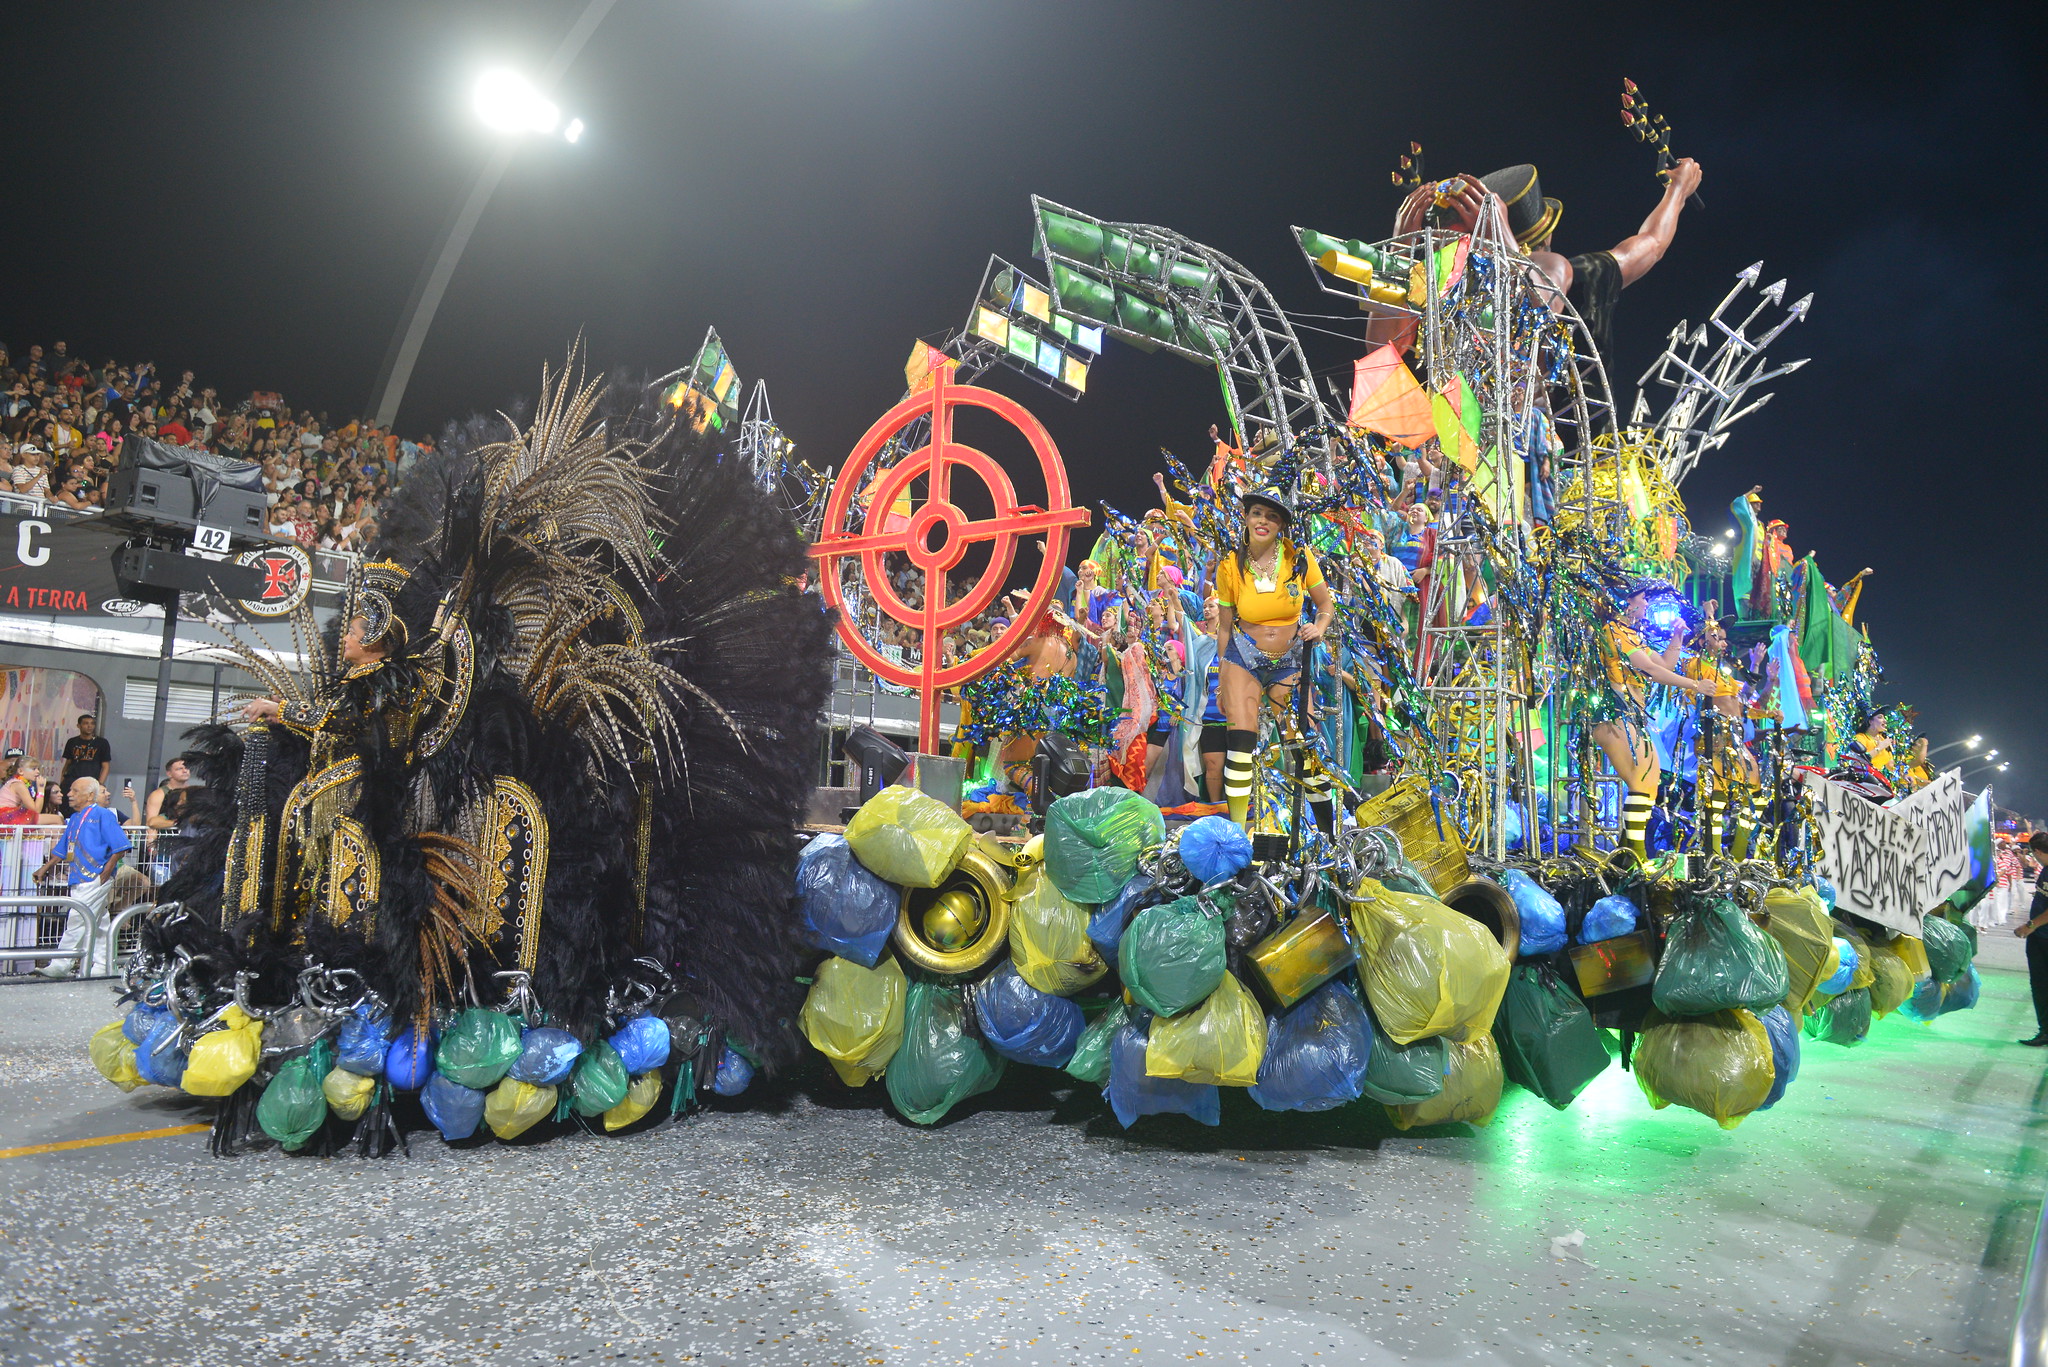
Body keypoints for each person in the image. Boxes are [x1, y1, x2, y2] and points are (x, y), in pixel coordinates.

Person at [1214, 487, 1336, 830]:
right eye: (1256, 513)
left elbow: (1325, 606)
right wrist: (1221, 683)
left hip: (1291, 658)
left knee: (1303, 745)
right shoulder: (1229, 566)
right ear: (1246, 517)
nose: (1262, 521)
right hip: (1243, 658)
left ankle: (1328, 834)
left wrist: (1320, 627)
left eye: (1271, 516)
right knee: (1240, 745)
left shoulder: (1299, 558)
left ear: (1281, 524)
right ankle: (1238, 833)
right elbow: (1224, 629)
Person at [1591, 582, 1719, 858]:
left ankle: (1631, 855)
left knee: (1649, 784)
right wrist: (1695, 685)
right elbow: (1649, 668)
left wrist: (1677, 637)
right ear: (1626, 601)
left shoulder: (1631, 634)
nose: (1647, 604)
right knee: (1642, 783)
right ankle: (1635, 857)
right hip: (1614, 713)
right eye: (1643, 599)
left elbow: (1664, 666)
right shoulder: (1613, 630)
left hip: (1631, 716)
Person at [33, 777, 133, 978]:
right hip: (79, 876)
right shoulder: (77, 818)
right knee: (99, 922)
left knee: (78, 917)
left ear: (89, 795)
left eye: (74, 790)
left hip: (96, 875)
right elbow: (63, 848)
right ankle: (104, 965)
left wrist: (108, 870)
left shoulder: (103, 815)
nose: (69, 794)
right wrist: (45, 867)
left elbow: (120, 845)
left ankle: (62, 963)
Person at [2016, 833, 2048, 1045]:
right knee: (2039, 984)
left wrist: (2030, 926)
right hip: (2038, 938)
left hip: (2042, 936)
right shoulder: (2045, 870)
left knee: (2042, 984)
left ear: (2037, 851)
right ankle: (2045, 1030)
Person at [58, 714, 111, 814]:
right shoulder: (72, 742)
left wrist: (99, 784)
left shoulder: (102, 743)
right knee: (67, 808)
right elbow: (68, 763)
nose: (89, 726)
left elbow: (106, 766)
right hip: (72, 780)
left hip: (90, 782)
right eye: (86, 723)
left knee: (87, 809)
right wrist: (62, 780)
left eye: (92, 724)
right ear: (79, 725)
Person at [0, 752, 61, 826]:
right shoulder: (18, 785)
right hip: (7, 817)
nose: (38, 772)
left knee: (54, 823)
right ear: (20, 771)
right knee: (58, 819)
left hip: (9, 816)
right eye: (33, 769)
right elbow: (36, 810)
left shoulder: (22, 783)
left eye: (38, 769)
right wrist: (41, 789)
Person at [140, 756, 194, 831]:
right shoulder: (158, 795)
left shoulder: (194, 792)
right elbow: (150, 824)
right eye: (179, 769)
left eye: (187, 768)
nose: (185, 771)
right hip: (166, 837)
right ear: (169, 774)